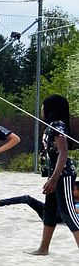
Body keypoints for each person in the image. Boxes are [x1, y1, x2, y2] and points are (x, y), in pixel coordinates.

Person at [27, 94, 79, 254]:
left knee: (68, 213)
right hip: (54, 175)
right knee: (49, 211)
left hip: (62, 175)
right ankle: (43, 248)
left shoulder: (58, 125)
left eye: (43, 105)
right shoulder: (51, 125)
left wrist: (54, 179)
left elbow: (63, 153)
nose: (41, 108)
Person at [0, 180, 79, 220]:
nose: (71, 191)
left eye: (74, 190)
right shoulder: (68, 196)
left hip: (53, 218)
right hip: (46, 210)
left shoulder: (75, 203)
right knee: (27, 198)